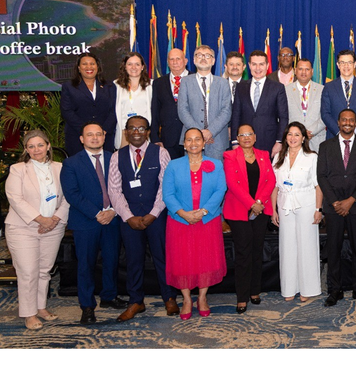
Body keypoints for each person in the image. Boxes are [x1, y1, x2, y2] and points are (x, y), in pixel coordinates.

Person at [107, 115, 178, 321]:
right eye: (132, 129)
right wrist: (128, 216)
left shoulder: (161, 153)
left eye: (141, 129)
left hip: (156, 215)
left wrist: (154, 213)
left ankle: (170, 297)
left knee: (162, 257)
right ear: (126, 132)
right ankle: (136, 301)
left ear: (148, 132)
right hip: (129, 217)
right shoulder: (116, 156)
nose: (136, 132)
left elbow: (166, 186)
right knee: (133, 260)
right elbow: (114, 190)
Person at [60, 122, 127, 324]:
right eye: (90, 134)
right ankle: (87, 306)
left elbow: (123, 187)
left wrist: (114, 211)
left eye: (99, 134)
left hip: (112, 219)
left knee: (111, 260)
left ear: (105, 137)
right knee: (86, 265)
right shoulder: (71, 163)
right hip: (86, 221)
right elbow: (72, 194)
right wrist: (97, 213)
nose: (95, 138)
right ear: (82, 139)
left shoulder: (115, 159)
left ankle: (108, 296)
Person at [4, 130, 69, 330]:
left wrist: (54, 219)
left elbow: (69, 196)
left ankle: (41, 307)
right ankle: (29, 313)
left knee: (44, 270)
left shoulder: (60, 168)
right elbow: (15, 198)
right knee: (28, 271)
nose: (36, 150)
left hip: (54, 226)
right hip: (22, 228)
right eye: (31, 146)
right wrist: (41, 219)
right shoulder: (18, 169)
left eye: (40, 145)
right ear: (26, 149)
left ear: (48, 146)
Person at [163, 128, 227, 319]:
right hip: (180, 222)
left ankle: (202, 297)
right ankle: (187, 299)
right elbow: (167, 194)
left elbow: (220, 189)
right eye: (189, 140)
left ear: (203, 142)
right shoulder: (173, 166)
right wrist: (184, 214)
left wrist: (203, 211)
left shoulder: (215, 164)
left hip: (207, 220)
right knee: (182, 260)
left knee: (205, 259)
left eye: (197, 139)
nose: (193, 143)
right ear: (184, 143)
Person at [317, 109, 356, 307]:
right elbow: (321, 176)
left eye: (351, 120)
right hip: (333, 207)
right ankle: (335, 290)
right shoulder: (325, 147)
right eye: (344, 120)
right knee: (333, 250)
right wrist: (334, 202)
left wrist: (351, 200)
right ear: (338, 122)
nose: (347, 123)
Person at [223, 124, 276, 312]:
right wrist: (251, 204)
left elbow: (271, 180)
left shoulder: (263, 154)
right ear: (237, 138)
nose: (246, 137)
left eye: (249, 134)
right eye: (242, 135)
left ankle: (255, 291)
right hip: (239, 211)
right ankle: (242, 296)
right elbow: (232, 184)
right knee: (243, 254)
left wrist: (259, 202)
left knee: (256, 250)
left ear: (255, 137)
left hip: (261, 211)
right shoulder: (229, 156)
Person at [271, 122, 323, 302]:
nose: (293, 138)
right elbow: (274, 187)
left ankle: (308, 288)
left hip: (306, 204)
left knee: (306, 246)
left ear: (303, 138)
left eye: (297, 135)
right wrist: (273, 211)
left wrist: (318, 209)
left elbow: (318, 186)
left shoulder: (312, 157)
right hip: (284, 205)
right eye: (290, 134)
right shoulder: (278, 157)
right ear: (285, 137)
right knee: (287, 246)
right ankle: (289, 289)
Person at [177, 45, 232, 160]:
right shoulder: (185, 82)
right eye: (199, 55)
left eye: (207, 56)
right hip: (192, 141)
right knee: (192, 176)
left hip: (217, 140)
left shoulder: (223, 83)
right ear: (194, 60)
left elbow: (226, 111)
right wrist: (198, 134)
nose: (203, 58)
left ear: (213, 61)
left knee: (215, 175)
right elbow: (182, 110)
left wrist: (210, 131)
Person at [231, 50, 289, 157]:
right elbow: (235, 115)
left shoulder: (278, 88)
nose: (258, 68)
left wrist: (279, 142)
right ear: (249, 65)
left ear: (267, 65)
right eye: (254, 64)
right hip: (244, 142)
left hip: (269, 143)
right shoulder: (241, 87)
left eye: (261, 64)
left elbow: (283, 117)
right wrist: (235, 141)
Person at [61, 51, 117, 156]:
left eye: (92, 64)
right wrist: (86, 132)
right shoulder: (69, 86)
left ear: (97, 66)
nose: (89, 67)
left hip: (104, 137)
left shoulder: (109, 86)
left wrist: (103, 130)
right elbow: (67, 111)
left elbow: (114, 110)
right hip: (77, 137)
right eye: (84, 64)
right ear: (78, 67)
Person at [321, 50, 356, 141]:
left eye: (349, 62)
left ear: (355, 64)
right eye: (342, 63)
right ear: (338, 65)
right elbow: (325, 113)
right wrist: (339, 132)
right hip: (335, 137)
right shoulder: (328, 87)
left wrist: (355, 131)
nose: (346, 66)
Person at [151, 48, 189, 159]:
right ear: (168, 62)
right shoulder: (158, 83)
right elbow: (155, 111)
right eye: (171, 59)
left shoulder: (194, 79)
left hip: (191, 137)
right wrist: (155, 138)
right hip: (168, 139)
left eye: (178, 59)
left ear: (185, 61)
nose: (175, 62)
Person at [113, 52, 154, 150]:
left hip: (144, 132)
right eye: (130, 64)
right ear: (125, 67)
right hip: (125, 132)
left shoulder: (151, 85)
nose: (133, 67)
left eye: (137, 64)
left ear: (142, 67)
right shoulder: (115, 85)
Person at [285, 58, 325, 152]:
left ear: (312, 71)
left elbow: (326, 114)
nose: (304, 72)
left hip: (316, 139)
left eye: (307, 69)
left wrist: (311, 131)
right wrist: (298, 133)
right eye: (300, 69)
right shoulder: (285, 90)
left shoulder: (322, 90)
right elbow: (282, 116)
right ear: (295, 71)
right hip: (293, 141)